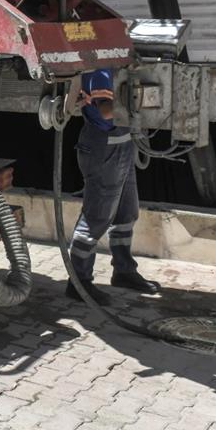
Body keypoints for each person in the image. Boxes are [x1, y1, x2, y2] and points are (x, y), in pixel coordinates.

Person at [66, 68, 161, 304]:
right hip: (104, 148)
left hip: (123, 144)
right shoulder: (101, 70)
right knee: (97, 217)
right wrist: (140, 100)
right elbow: (105, 111)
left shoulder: (118, 66)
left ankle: (124, 271)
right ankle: (78, 282)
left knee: (126, 212)